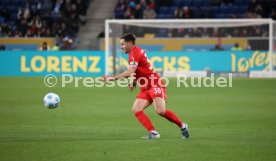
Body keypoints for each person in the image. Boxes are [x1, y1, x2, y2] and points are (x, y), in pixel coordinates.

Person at [101, 33, 189, 139]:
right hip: (145, 87)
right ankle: (153, 133)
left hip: (154, 84)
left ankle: (183, 126)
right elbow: (136, 71)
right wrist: (133, 81)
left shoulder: (135, 53)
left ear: (130, 43)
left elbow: (130, 71)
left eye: (123, 44)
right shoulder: (133, 53)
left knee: (160, 111)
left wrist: (114, 77)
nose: (121, 46)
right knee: (136, 109)